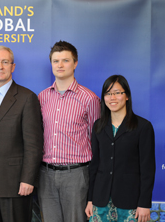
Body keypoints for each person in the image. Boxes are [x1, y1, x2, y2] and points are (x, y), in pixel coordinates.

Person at [0, 45, 43, 222]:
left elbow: (33, 144)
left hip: (15, 184)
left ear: (12, 67)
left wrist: (28, 179)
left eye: (5, 62)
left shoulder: (26, 97)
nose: (0, 66)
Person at [38, 40, 101, 222]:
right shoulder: (41, 97)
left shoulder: (89, 99)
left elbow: (95, 141)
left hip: (76, 175)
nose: (60, 65)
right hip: (46, 174)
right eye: (56, 61)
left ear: (75, 63)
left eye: (65, 60)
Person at [85, 75, 155, 222]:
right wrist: (90, 199)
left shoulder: (143, 127)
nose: (113, 98)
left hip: (130, 201)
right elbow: (94, 166)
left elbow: (147, 169)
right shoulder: (98, 126)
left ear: (127, 96)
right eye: (108, 93)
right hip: (100, 201)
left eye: (117, 92)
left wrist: (144, 204)